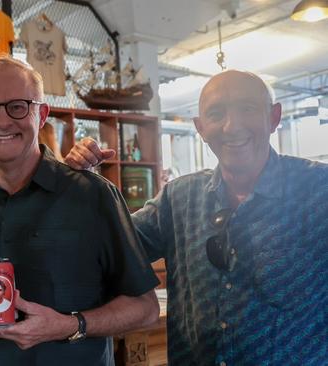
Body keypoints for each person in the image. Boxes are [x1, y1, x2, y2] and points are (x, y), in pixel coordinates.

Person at [65, 70, 328, 365]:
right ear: (201, 128)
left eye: (248, 109)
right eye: (217, 113)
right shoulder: (177, 199)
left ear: (274, 117)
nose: (232, 126)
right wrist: (78, 184)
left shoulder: (319, 190)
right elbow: (105, 248)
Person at [0, 55, 160, 366]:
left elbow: (145, 307)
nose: (3, 121)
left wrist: (72, 325)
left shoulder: (94, 195)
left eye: (18, 106)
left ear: (42, 113)